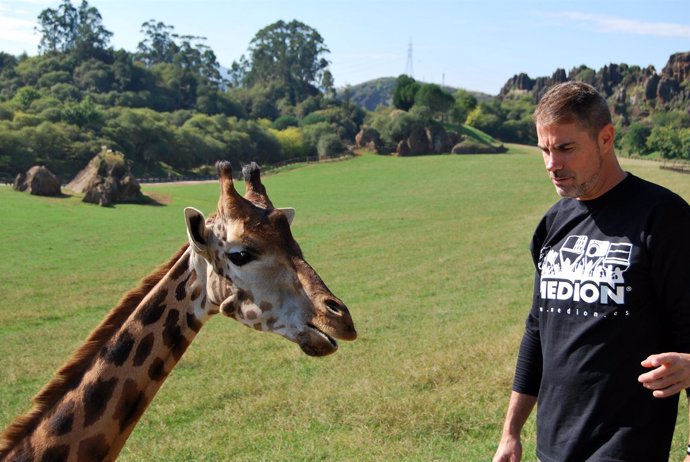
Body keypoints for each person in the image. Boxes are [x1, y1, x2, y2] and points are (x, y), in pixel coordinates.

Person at [493, 81, 690, 462]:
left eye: (566, 148)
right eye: (545, 150)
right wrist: (511, 433)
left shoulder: (664, 218)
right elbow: (538, 329)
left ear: (606, 138)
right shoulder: (553, 224)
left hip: (626, 445)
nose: (553, 164)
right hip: (553, 446)